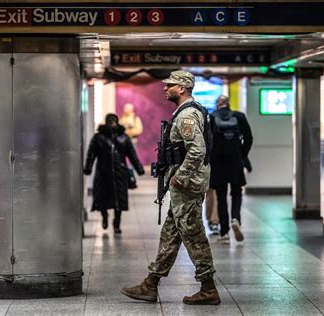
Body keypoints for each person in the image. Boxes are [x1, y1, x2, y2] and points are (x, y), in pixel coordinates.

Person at [121, 70, 220, 305]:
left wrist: (180, 177)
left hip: (186, 186)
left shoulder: (187, 116)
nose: (165, 89)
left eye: (170, 85)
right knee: (171, 234)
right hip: (185, 185)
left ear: (182, 88)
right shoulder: (186, 112)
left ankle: (208, 288)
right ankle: (150, 283)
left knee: (193, 235)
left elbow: (198, 150)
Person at [83, 113, 144, 234]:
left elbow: (132, 155)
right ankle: (104, 216)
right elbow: (91, 153)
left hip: (119, 173)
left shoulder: (123, 137)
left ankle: (117, 222)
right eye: (110, 121)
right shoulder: (99, 137)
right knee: (102, 198)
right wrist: (88, 167)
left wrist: (139, 168)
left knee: (119, 199)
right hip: (103, 173)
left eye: (114, 121)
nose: (113, 124)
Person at [210, 95, 253, 243]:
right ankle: (235, 219)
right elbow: (249, 137)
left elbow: (207, 141)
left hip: (218, 162)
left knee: (221, 197)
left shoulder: (211, 117)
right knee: (237, 193)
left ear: (218, 105)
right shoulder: (239, 116)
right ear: (228, 104)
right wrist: (242, 154)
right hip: (235, 161)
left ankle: (224, 234)